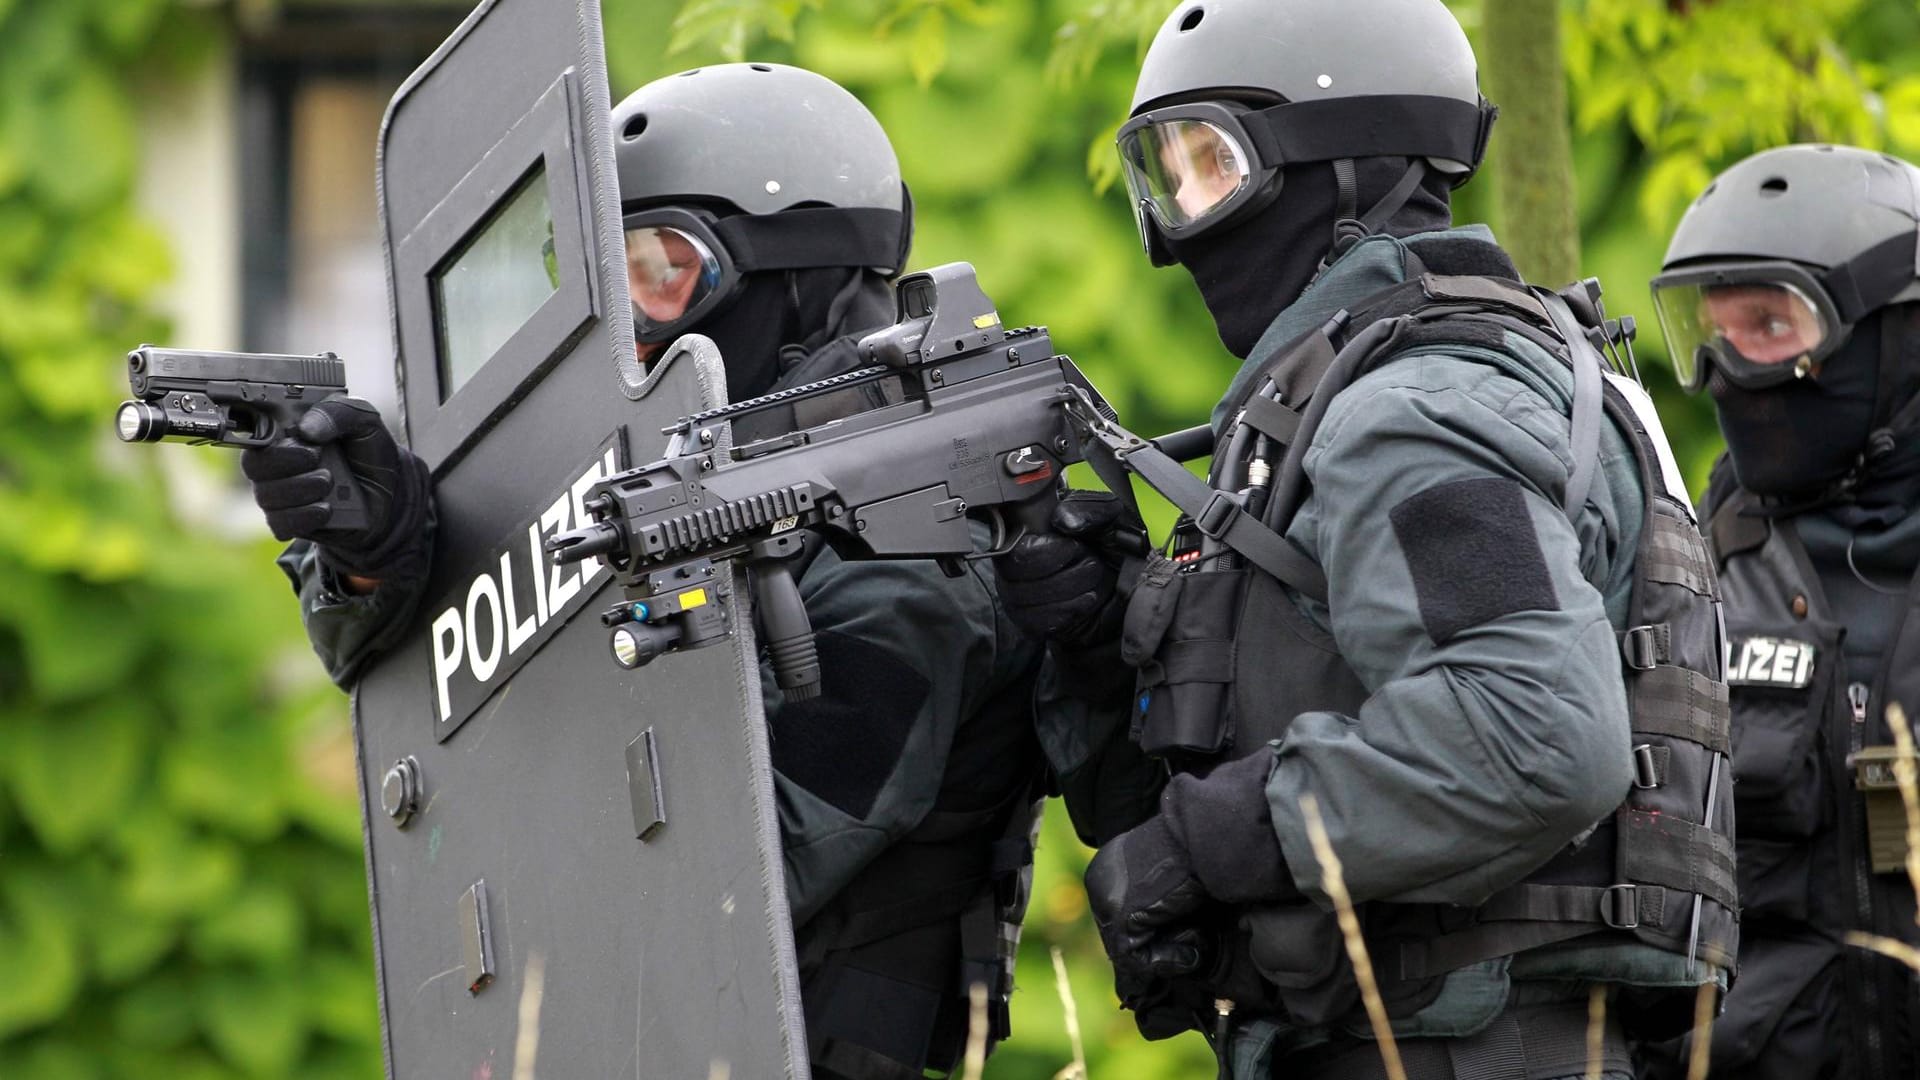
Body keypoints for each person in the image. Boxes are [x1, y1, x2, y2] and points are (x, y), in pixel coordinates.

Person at [241, 63, 1043, 1080]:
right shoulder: (685, 487)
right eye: (595, 285)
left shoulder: (912, 544)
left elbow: (723, 874)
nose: (635, 329)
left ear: (799, 277)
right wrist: (384, 555)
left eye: (662, 273)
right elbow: (469, 674)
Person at [994, 1, 1736, 1077]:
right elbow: (1252, 746)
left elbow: (1533, 738)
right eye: (1170, 171)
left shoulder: (1416, 407)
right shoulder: (1394, 386)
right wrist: (1099, 634)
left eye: (1214, 163)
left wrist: (1222, 838)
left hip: (1465, 1047)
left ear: (1334, 162)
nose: (1181, 220)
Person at [1642, 143, 1920, 1079]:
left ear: (1895, 338)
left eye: (1769, 324)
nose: (1727, 371)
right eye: (1708, 335)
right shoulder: (1683, 575)